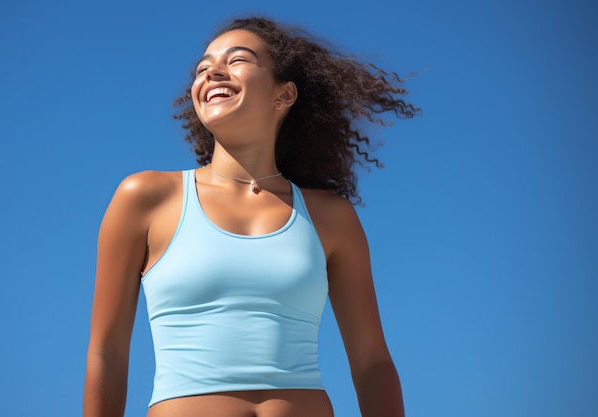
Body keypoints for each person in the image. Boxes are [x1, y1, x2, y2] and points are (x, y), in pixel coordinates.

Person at [83, 16, 419, 417]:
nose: (213, 73)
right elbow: (107, 353)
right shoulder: (146, 197)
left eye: (237, 59)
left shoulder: (330, 216)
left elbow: (372, 363)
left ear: (285, 94)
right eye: (202, 68)